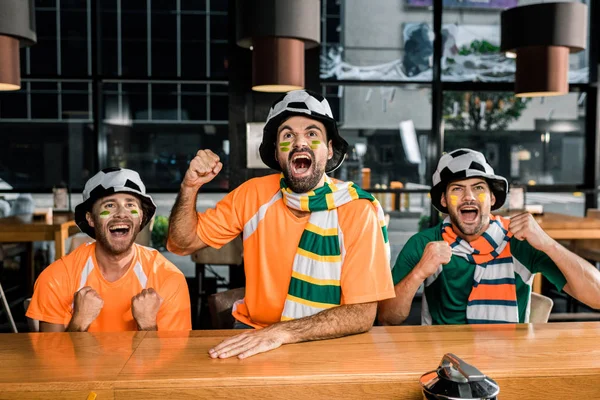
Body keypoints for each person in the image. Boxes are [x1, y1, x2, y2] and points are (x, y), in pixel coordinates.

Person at [168, 89, 395, 359]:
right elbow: (181, 243)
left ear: (329, 149)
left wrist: (282, 332)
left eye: (312, 134)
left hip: (330, 339)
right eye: (288, 136)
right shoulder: (252, 195)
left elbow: (361, 315)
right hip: (253, 333)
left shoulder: (358, 209)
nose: (300, 143)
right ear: (277, 153)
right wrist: (190, 187)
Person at [378, 148, 600, 325]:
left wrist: (548, 244)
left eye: (478, 188)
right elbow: (387, 318)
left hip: (509, 358)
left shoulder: (520, 241)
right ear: (444, 201)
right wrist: (418, 273)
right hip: (443, 360)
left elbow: (597, 297)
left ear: (492, 198)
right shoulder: (425, 244)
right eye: (457, 189)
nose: (469, 197)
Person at [26, 168, 191, 332]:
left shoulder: (168, 278)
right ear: (90, 218)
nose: (121, 214)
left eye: (130, 205)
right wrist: (79, 322)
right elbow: (50, 357)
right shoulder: (56, 278)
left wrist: (147, 325)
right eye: (110, 205)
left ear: (140, 217)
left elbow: (174, 357)